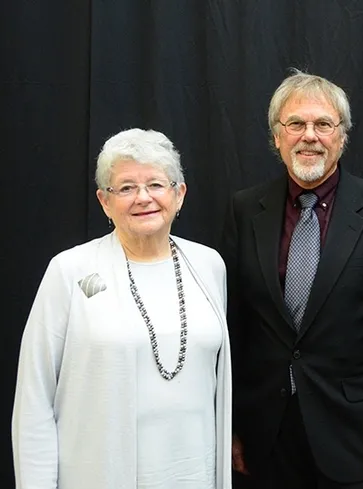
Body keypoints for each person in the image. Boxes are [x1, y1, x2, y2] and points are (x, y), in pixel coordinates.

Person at [221, 68, 363, 489]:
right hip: (266, 438)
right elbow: (234, 325)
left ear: (342, 136)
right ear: (277, 136)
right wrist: (232, 426)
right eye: (296, 124)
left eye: (323, 124)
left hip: (357, 439)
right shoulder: (245, 210)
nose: (309, 136)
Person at [12, 128, 232, 489]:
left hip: (195, 475)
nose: (143, 198)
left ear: (180, 195)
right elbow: (34, 399)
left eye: (157, 185)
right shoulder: (71, 271)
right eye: (126, 187)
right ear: (104, 201)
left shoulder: (209, 265)